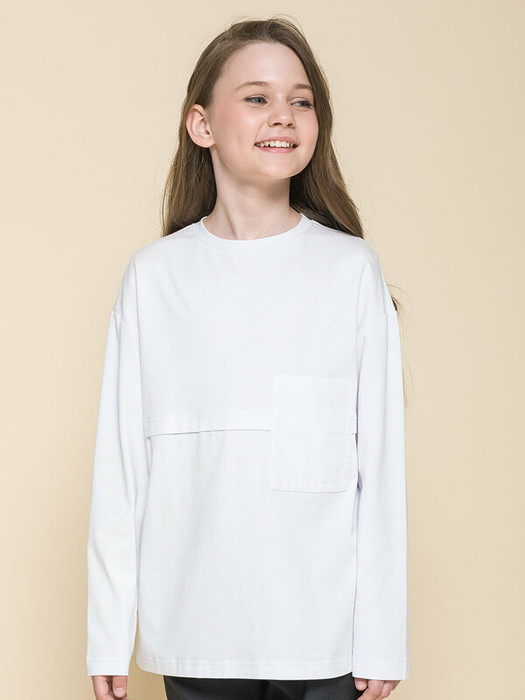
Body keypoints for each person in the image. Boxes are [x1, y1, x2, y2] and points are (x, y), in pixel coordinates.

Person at [86, 16, 410, 700]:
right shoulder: (154, 278)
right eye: (257, 97)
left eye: (301, 100)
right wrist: (107, 631)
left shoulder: (349, 271)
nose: (283, 115)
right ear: (201, 124)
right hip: (195, 630)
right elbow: (122, 467)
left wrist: (383, 635)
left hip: (323, 636)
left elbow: (379, 467)